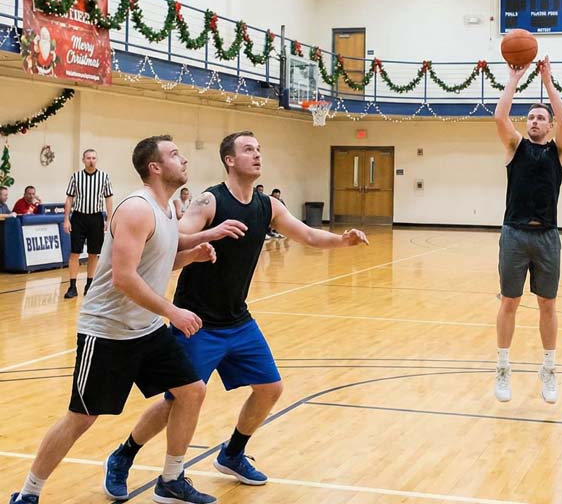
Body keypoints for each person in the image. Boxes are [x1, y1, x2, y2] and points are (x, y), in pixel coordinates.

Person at [103, 131, 368, 497]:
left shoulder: (267, 207)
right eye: (248, 150)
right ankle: (124, 455)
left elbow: (307, 235)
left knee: (270, 389)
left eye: (259, 149)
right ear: (230, 160)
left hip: (238, 319)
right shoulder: (210, 201)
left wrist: (342, 240)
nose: (257, 155)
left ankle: (232, 453)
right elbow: (172, 239)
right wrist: (210, 233)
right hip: (196, 320)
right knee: (176, 401)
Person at [7, 135, 246, 504]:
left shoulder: (168, 210)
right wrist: (173, 311)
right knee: (81, 417)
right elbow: (124, 276)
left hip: (146, 330)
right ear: (154, 167)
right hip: (107, 332)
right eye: (174, 154)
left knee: (191, 391)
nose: (183, 159)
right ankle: (28, 493)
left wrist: (191, 256)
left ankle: (170, 479)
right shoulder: (137, 208)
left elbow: (157, 263)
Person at [493, 55, 562, 404]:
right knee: (510, 301)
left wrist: (549, 82)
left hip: (547, 236)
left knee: (547, 304)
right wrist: (514, 78)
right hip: (514, 233)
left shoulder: (559, 152)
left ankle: (549, 369)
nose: (535, 121)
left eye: (541, 117)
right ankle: (503, 366)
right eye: (531, 117)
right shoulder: (515, 148)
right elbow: (499, 116)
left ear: (550, 126)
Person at [63, 149, 114, 299]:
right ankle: (72, 286)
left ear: (96, 160)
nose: (91, 160)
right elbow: (69, 199)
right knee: (75, 253)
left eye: (93, 158)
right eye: (88, 158)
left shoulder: (104, 177)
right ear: (83, 160)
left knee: (93, 253)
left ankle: (89, 285)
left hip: (96, 218)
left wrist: (109, 219)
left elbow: (109, 199)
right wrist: (66, 218)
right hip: (78, 217)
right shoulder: (76, 177)